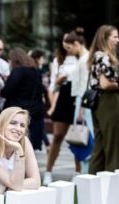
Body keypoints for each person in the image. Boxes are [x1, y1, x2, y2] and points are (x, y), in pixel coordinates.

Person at [87, 24, 119, 174]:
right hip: (109, 101)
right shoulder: (104, 57)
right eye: (115, 37)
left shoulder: (96, 56)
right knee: (113, 145)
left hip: (98, 102)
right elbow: (105, 84)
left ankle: (92, 180)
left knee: (100, 144)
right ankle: (114, 180)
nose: (118, 40)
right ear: (105, 39)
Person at [44, 35, 80, 183]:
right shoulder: (58, 60)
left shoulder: (81, 58)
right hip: (63, 94)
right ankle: (48, 171)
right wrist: (58, 82)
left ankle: (78, 171)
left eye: (70, 43)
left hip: (77, 95)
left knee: (77, 136)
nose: (68, 46)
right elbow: (53, 84)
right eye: (65, 43)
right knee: (58, 135)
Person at [1, 48, 46, 152]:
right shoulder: (35, 71)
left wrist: (5, 84)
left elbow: (6, 92)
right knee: (26, 142)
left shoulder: (18, 71)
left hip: (16, 110)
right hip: (33, 111)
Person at [67, 28, 93, 173]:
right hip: (81, 101)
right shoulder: (84, 58)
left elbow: (85, 86)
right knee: (84, 136)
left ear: (76, 44)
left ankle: (86, 172)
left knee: (86, 137)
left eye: (69, 48)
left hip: (83, 102)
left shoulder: (85, 59)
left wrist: (81, 108)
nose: (69, 51)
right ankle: (85, 171)